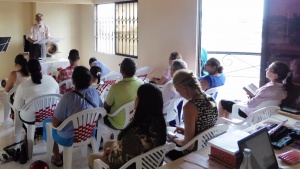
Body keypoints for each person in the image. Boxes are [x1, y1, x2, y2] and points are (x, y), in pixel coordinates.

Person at [88, 83, 166, 169]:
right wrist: (113, 147)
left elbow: (116, 162)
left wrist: (110, 152)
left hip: (131, 165)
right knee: (108, 143)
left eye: (137, 97)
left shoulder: (135, 133)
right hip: (148, 163)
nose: (135, 99)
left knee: (92, 158)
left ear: (142, 104)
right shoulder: (160, 124)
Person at [44, 66, 103, 167]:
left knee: (47, 123)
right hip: (89, 132)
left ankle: (57, 157)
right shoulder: (95, 93)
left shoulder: (68, 97)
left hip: (69, 137)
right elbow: (101, 112)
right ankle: (62, 154)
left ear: (73, 81)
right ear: (89, 80)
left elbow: (55, 123)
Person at [166, 69, 218, 160]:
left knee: (160, 148)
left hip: (193, 153)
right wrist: (186, 131)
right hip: (207, 146)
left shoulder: (190, 107)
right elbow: (204, 125)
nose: (180, 94)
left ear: (183, 87)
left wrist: (173, 138)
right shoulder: (210, 99)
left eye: (178, 91)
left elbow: (188, 146)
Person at [219, 61, 293, 119]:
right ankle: (225, 124)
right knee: (234, 100)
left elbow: (250, 104)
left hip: (251, 114)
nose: (266, 70)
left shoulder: (268, 89)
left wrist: (249, 98)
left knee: (222, 102)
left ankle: (219, 126)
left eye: (269, 69)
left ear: (275, 75)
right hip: (264, 114)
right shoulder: (283, 89)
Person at [13, 59, 59, 134]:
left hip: (32, 118)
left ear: (28, 71)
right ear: (40, 68)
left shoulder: (22, 86)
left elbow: (18, 107)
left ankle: (30, 134)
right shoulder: (51, 79)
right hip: (50, 113)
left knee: (20, 112)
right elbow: (57, 96)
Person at [104, 58, 143, 130]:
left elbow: (106, 107)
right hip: (134, 119)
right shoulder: (141, 83)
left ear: (121, 70)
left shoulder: (115, 88)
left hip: (118, 123)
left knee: (100, 114)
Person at [5, 54, 30, 120]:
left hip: (19, 103)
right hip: (31, 101)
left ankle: (14, 114)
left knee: (11, 95)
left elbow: (6, 90)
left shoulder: (14, 74)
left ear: (17, 64)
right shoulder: (33, 73)